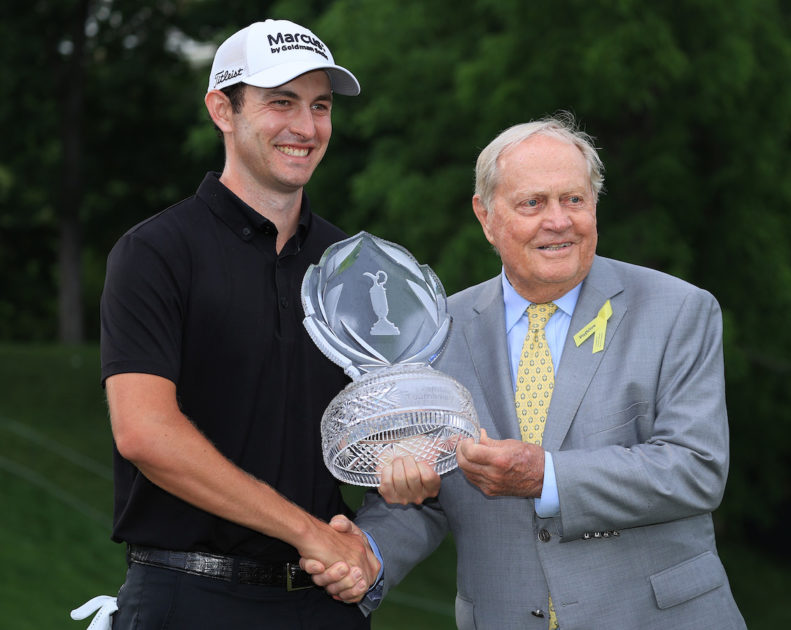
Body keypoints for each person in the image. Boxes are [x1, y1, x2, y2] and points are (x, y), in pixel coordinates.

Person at [305, 113, 748, 629]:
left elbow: (695, 469)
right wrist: (369, 551)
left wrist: (548, 477)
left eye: (574, 200)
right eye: (533, 203)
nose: (558, 221)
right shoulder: (432, 336)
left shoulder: (678, 310)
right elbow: (422, 499)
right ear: (485, 215)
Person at [86, 18, 381, 630]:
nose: (306, 127)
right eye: (281, 103)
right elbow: (144, 433)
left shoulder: (352, 267)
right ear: (222, 109)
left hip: (323, 602)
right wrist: (309, 533)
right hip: (187, 598)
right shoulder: (156, 253)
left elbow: (385, 429)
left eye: (320, 106)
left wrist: (400, 486)